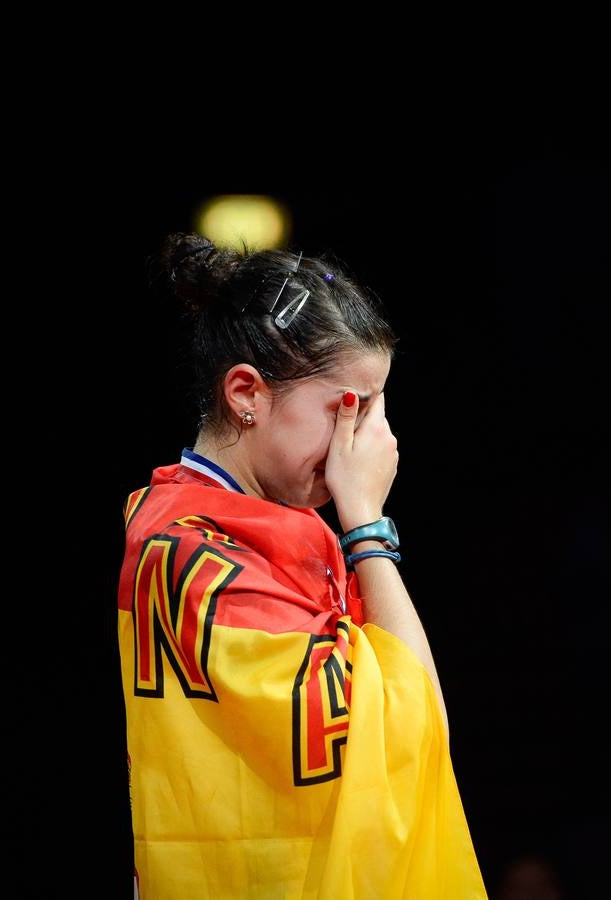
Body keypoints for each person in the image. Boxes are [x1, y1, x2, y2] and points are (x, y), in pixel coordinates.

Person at [116, 232, 486, 898]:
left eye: (376, 409)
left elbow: (415, 734)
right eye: (349, 410)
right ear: (246, 394)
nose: (371, 443)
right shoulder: (191, 548)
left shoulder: (286, 530)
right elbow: (412, 729)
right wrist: (366, 527)